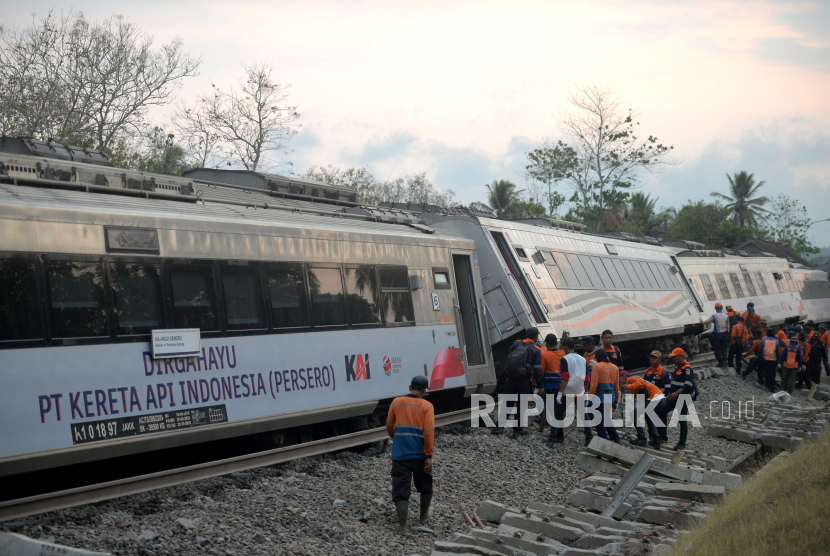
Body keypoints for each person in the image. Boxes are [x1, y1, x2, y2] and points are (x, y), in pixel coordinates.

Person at [386, 376, 434, 535]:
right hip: (420, 455)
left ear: (409, 387)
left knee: (400, 487)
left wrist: (397, 438)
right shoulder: (427, 406)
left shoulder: (396, 402)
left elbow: (389, 426)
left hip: (400, 454)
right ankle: (423, 516)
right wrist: (429, 455)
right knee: (425, 484)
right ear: (424, 390)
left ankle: (402, 526)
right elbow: (428, 433)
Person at [503, 327, 543, 437]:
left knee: (508, 403)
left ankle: (498, 426)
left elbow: (509, 360)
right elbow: (538, 369)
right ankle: (517, 430)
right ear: (536, 337)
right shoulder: (535, 349)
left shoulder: (516, 343)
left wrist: (507, 375)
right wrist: (540, 386)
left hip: (511, 378)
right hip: (523, 380)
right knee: (521, 405)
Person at [558, 337, 594, 446]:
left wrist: (560, 392)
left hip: (567, 391)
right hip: (580, 391)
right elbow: (587, 378)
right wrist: (586, 392)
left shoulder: (564, 359)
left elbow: (565, 377)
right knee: (583, 415)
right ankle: (589, 438)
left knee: (558, 414)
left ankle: (558, 437)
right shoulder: (583, 359)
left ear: (565, 347)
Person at [664, 348, 696, 451]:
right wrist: (670, 393)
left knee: (682, 419)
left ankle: (682, 443)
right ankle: (662, 437)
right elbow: (674, 383)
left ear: (682, 356)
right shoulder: (678, 367)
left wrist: (676, 393)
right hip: (674, 396)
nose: (673, 359)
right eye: (672, 357)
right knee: (661, 411)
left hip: (683, 397)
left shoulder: (687, 369)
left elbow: (688, 384)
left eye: (675, 357)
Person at [625, 376, 667, 450]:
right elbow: (640, 403)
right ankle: (656, 440)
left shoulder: (631, 379)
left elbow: (642, 383)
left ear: (623, 378)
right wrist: (634, 419)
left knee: (632, 413)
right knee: (647, 416)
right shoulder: (635, 387)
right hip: (660, 399)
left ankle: (642, 438)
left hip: (655, 399)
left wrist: (628, 386)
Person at [588, 349, 620, 443]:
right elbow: (616, 386)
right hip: (611, 396)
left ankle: (603, 442)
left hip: (600, 397)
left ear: (597, 357)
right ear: (606, 356)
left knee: (599, 420)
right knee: (606, 418)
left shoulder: (597, 366)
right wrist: (616, 400)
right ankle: (615, 438)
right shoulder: (615, 367)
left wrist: (590, 398)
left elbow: (593, 384)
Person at [540, 333, 565, 443]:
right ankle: (560, 436)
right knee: (558, 412)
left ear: (546, 344)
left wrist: (538, 386)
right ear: (556, 343)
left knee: (553, 413)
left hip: (550, 387)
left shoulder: (545, 355)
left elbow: (541, 372)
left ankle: (552, 438)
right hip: (561, 387)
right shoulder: (562, 354)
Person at [702, 303, 730, 367]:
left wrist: (702, 322)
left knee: (717, 349)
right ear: (722, 308)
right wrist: (728, 334)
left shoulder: (714, 315)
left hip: (717, 335)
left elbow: (707, 321)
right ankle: (724, 361)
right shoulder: (726, 316)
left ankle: (720, 362)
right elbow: (728, 326)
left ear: (715, 308)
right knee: (724, 349)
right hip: (724, 335)